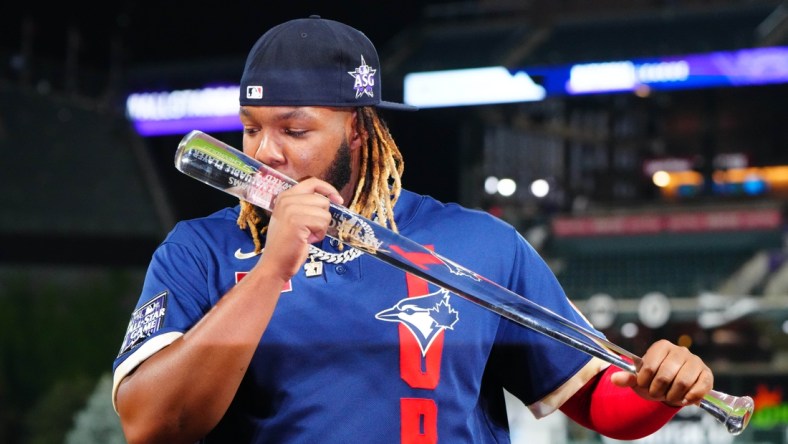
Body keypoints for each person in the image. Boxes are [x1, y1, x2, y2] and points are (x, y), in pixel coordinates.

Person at [112, 15, 714, 444]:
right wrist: (272, 269)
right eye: (250, 128)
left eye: (294, 131)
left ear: (359, 133)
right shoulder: (200, 251)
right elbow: (150, 423)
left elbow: (599, 405)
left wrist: (657, 390)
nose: (264, 151)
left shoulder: (479, 243)